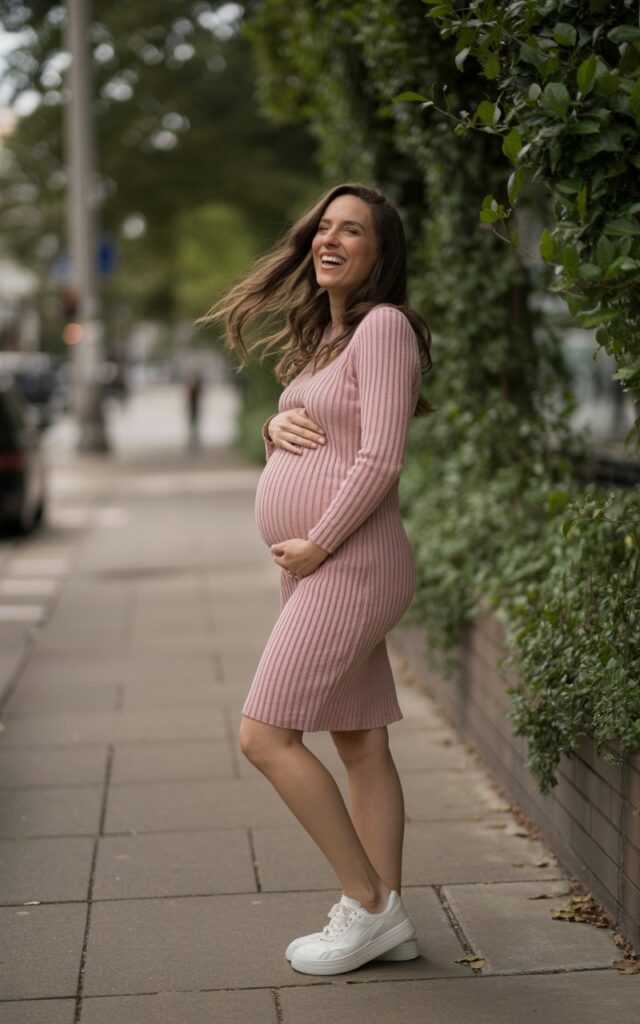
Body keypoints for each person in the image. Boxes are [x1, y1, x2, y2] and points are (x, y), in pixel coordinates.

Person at [199, 183, 433, 975]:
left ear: (380, 252)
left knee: (264, 736)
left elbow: (381, 458)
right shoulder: (327, 338)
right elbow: (320, 433)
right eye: (324, 227)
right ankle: (389, 920)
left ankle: (368, 904)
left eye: (353, 230)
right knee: (361, 740)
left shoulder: (385, 328)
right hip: (321, 567)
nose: (330, 239)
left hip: (350, 563)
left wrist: (320, 544)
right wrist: (271, 425)